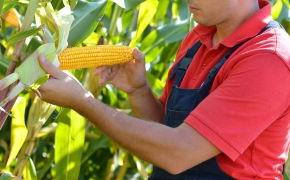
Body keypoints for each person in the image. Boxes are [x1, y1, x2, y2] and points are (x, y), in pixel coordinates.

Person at [38, 0, 290, 179]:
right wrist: (139, 91)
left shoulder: (268, 60)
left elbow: (179, 153)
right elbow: (168, 129)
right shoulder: (197, 39)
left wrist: (82, 101)